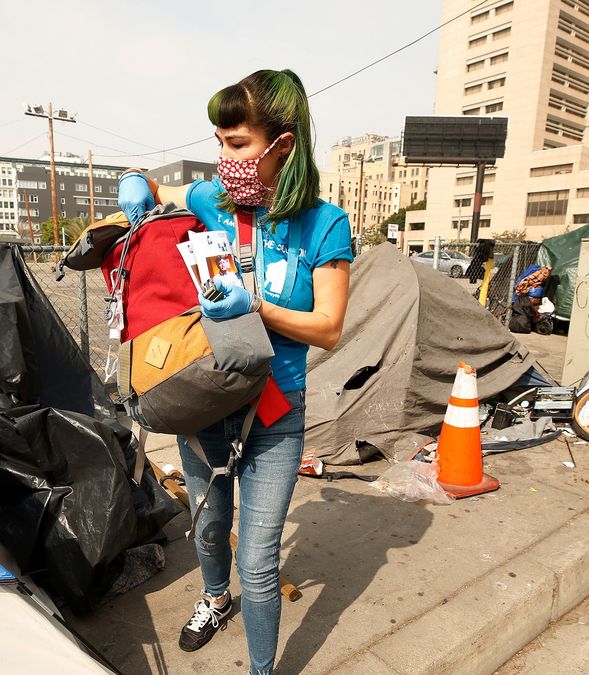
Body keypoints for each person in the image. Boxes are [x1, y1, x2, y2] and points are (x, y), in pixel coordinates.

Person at [118, 68, 352, 674]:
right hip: (207, 400)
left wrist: (259, 306)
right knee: (208, 524)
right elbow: (163, 193)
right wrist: (135, 190)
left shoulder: (323, 224)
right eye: (220, 142)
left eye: (239, 144)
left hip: (277, 411)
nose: (226, 159)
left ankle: (261, 669)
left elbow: (328, 327)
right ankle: (214, 600)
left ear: (285, 144)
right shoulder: (211, 202)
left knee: (259, 559)